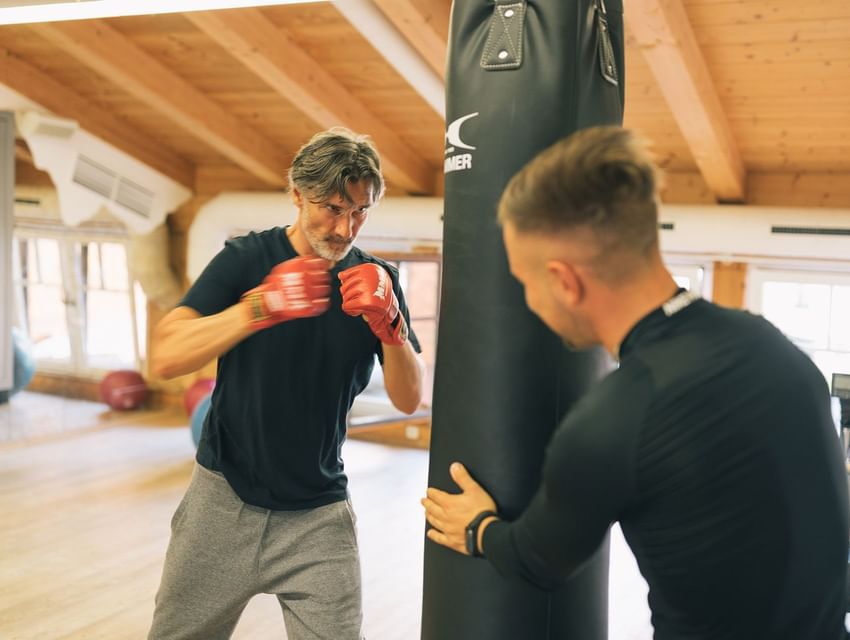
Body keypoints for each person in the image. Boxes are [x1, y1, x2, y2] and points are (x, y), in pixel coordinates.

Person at [422, 125, 849, 639]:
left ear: (564, 281)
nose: (528, 302)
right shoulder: (772, 345)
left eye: (525, 282)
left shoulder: (617, 418)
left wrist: (479, 530)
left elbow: (538, 559)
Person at [148, 127, 423, 640]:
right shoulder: (247, 259)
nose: (345, 228)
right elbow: (166, 354)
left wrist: (392, 328)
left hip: (319, 514)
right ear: (297, 194)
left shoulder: (377, 280)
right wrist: (260, 307)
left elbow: (410, 398)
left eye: (359, 211)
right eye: (332, 208)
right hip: (222, 502)